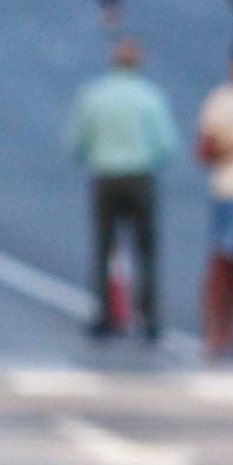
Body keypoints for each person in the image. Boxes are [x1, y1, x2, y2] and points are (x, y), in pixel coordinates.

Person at [65, 39, 179, 340]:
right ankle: (149, 319)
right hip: (140, 176)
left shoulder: (94, 95)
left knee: (104, 247)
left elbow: (77, 144)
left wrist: (97, 157)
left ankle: (103, 315)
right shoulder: (151, 96)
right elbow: (166, 145)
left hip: (105, 176)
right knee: (146, 250)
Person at [196, 36, 233, 359]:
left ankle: (231, 330)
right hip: (231, 192)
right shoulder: (221, 101)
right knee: (224, 265)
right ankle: (214, 331)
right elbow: (203, 151)